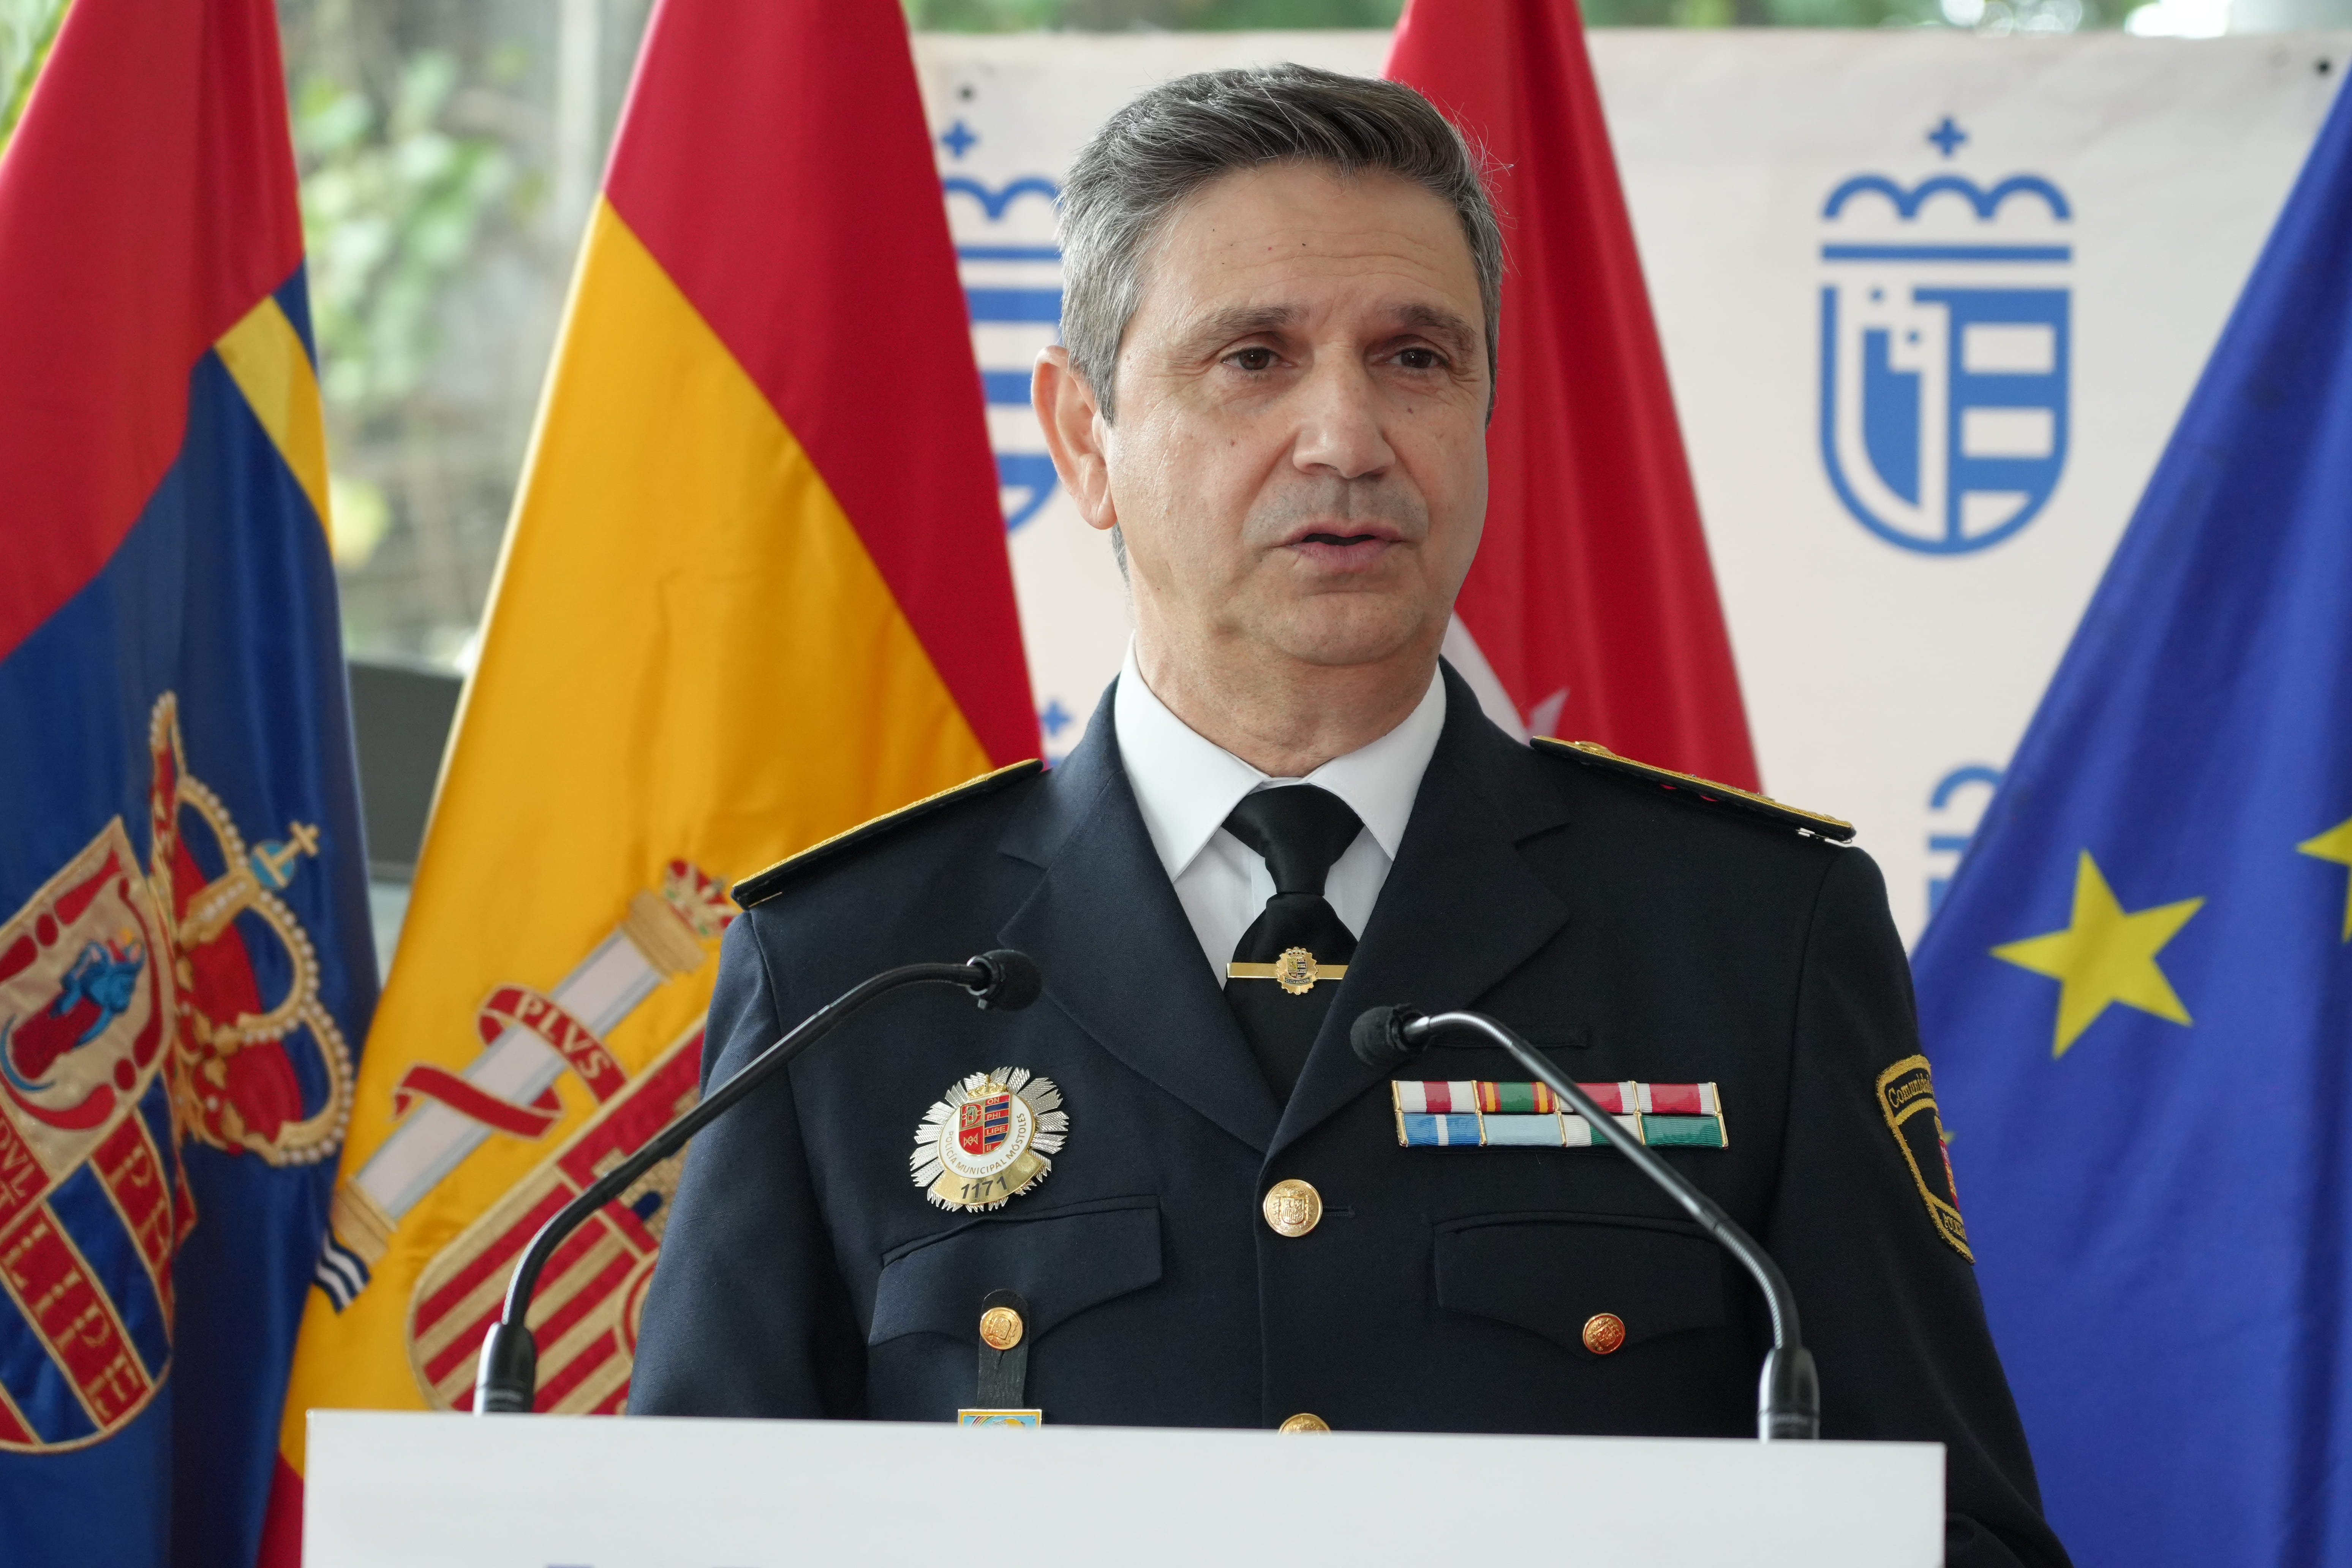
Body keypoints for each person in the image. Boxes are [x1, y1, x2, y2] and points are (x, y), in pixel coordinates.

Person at [630, 63, 2068, 1568]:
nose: (1348, 437)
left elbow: (1948, 1530)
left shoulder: (1754, 934)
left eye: (1415, 359)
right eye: (1253, 358)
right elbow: (680, 1540)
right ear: (1084, 438)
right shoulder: (850, 965)